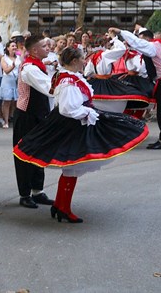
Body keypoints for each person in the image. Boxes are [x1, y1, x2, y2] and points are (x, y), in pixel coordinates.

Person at [13, 47, 149, 223]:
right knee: (72, 168)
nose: (85, 61)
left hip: (72, 124)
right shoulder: (69, 81)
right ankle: (64, 208)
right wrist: (87, 113)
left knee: (71, 170)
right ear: (75, 61)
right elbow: (67, 108)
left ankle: (61, 206)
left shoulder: (70, 77)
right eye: (82, 59)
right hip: (71, 125)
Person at [109, 27, 161, 149]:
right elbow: (135, 45)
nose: (140, 42)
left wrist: (120, 32)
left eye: (142, 39)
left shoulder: (152, 46)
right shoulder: (156, 46)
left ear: (146, 38)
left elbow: (136, 42)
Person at [10, 35, 54, 209]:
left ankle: (37, 191)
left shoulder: (38, 65)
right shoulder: (30, 68)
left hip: (39, 114)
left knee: (39, 152)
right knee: (25, 154)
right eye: (44, 45)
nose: (48, 47)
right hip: (26, 115)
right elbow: (49, 88)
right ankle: (25, 194)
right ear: (35, 50)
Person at [0, 40, 20, 129]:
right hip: (7, 80)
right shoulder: (4, 58)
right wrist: (13, 66)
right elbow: (6, 70)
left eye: (15, 46)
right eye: (12, 46)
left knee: (15, 102)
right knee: (7, 102)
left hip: (17, 81)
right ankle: (6, 121)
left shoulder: (18, 57)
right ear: (8, 48)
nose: (14, 47)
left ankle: (14, 119)